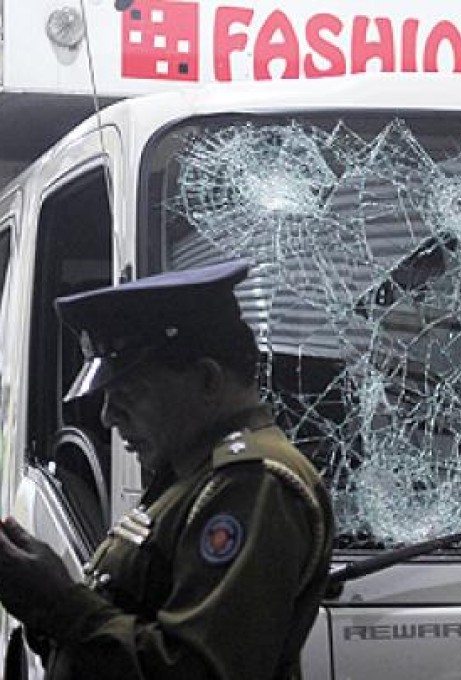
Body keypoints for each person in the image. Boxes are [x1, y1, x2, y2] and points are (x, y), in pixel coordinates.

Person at [0, 260, 334, 679]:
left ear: (207, 380)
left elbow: (195, 670)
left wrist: (60, 604)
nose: (107, 417)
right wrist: (39, 597)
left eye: (129, 393)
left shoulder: (253, 483)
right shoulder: (192, 475)